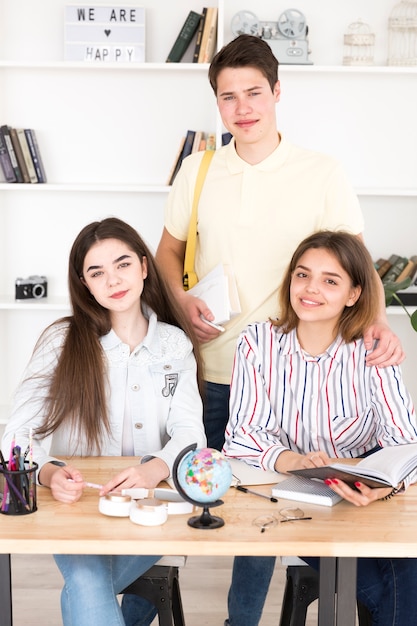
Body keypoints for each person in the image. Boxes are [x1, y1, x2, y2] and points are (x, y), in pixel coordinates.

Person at [124, 34, 405, 626]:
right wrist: (179, 299)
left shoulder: (321, 173)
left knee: (265, 508)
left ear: (278, 93)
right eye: (228, 97)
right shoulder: (198, 172)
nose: (243, 107)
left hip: (297, 367)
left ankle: (241, 620)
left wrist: (377, 323)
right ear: (218, 106)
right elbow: (168, 252)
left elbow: (353, 260)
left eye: (254, 92)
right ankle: (142, 598)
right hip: (216, 366)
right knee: (204, 493)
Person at [1, 217, 206, 626]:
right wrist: (48, 473)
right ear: (85, 284)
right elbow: (16, 435)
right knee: (87, 576)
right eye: (97, 272)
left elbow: (190, 433)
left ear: (144, 267)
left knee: (86, 580)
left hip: (151, 505)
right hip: (80, 506)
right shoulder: (61, 341)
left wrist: (154, 470)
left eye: (123, 264)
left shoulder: (174, 343)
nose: (113, 279)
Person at [224, 230, 417, 625]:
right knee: (389, 594)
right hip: (293, 498)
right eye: (302, 275)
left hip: (365, 495)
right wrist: (295, 461)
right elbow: (241, 437)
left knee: (410, 574)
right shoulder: (258, 343)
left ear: (353, 294)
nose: (311, 289)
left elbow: (405, 442)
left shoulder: (373, 349)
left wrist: (378, 484)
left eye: (330, 281)